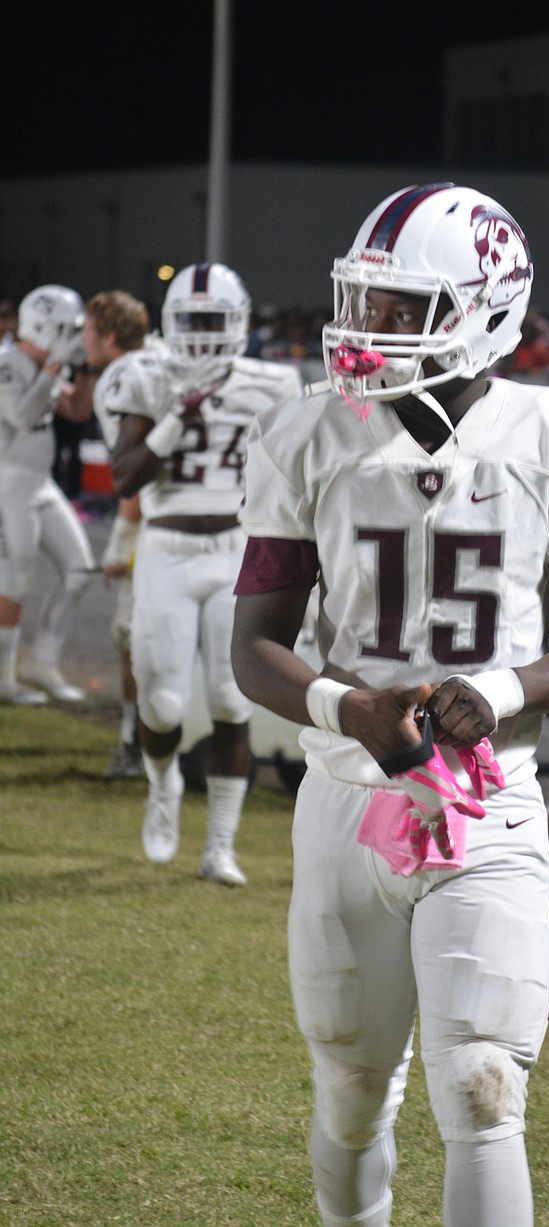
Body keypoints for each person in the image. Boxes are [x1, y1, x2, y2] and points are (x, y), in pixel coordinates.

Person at [230, 182, 549, 1227]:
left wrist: (497, 690)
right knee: (353, 1092)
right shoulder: (308, 434)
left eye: (399, 308)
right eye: (361, 301)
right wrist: (345, 706)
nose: (365, 329)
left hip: (490, 804)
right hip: (343, 800)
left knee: (481, 1089)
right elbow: (255, 648)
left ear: (486, 307)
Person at [103, 262, 302, 884]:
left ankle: (220, 845)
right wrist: (173, 422)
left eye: (213, 320)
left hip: (235, 547)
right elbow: (125, 476)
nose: (201, 333)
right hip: (166, 547)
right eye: (190, 321)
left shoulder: (274, 382)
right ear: (168, 323)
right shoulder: (146, 374)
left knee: (228, 698)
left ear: (238, 323)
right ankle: (162, 787)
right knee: (161, 705)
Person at [0, 284, 98, 705]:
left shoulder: (47, 366)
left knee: (78, 570)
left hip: (41, 483)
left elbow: (76, 411)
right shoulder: (7, 363)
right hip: (9, 483)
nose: (73, 336)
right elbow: (21, 415)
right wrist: (56, 364)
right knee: (16, 582)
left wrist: (89, 369)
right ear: (44, 327)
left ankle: (43, 660)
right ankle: (4, 678)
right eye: (67, 329)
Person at [83, 290, 156, 778]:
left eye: (87, 330)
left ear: (108, 336)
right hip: (220, 524)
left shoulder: (121, 379)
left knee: (132, 637)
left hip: (163, 529)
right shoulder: (160, 361)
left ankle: (137, 744)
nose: (81, 340)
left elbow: (136, 481)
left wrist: (118, 547)